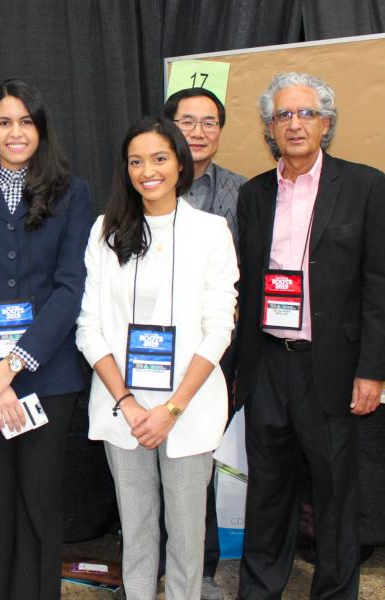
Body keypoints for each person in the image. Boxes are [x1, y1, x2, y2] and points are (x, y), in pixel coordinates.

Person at [0, 79, 93, 600]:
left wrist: (17, 363)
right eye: (4, 122)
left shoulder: (73, 193)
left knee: (39, 503)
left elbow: (72, 287)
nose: (15, 132)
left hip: (48, 376)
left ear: (41, 127)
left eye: (26, 121)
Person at [236, 72, 385, 600]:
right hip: (269, 364)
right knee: (267, 490)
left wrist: (372, 369)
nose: (294, 124)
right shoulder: (253, 194)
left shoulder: (366, 186)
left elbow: (378, 285)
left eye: (305, 113)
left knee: (334, 491)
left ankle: (335, 592)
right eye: (283, 115)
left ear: (326, 122)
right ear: (269, 128)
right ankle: (258, 589)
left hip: (333, 364)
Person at [76, 116, 238, 600]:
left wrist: (172, 408)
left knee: (188, 539)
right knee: (137, 531)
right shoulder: (106, 230)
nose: (148, 170)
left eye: (160, 158)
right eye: (136, 161)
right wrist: (127, 402)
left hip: (187, 408)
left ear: (180, 164)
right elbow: (89, 327)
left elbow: (218, 329)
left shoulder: (211, 231)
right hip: (122, 407)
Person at [162, 86, 247, 600]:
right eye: (187, 121)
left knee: (200, 460)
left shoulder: (243, 191)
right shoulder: (143, 183)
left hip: (217, 350)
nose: (197, 131)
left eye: (209, 122)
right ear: (168, 125)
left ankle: (202, 570)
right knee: (145, 458)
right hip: (147, 354)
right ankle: (146, 563)